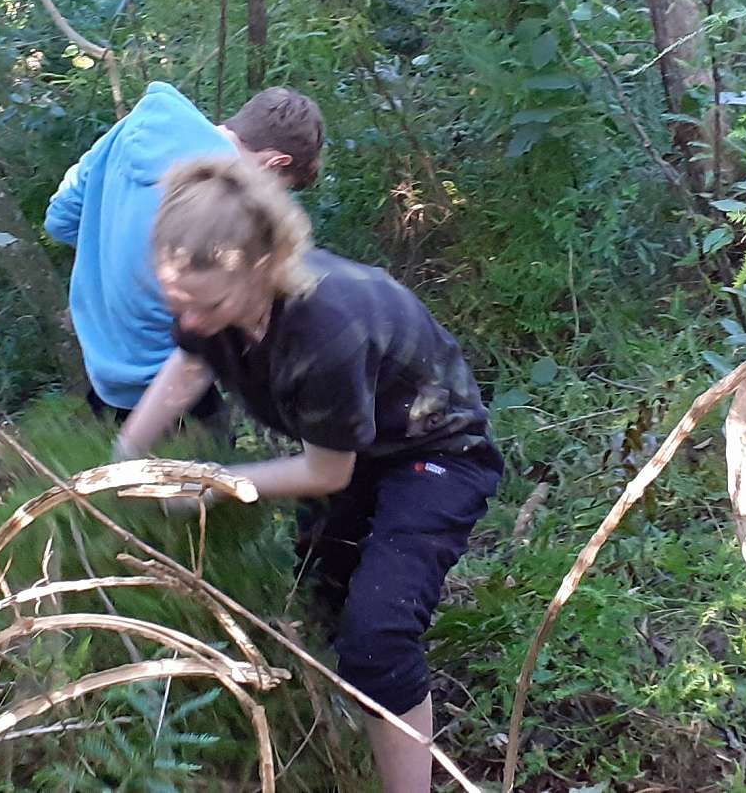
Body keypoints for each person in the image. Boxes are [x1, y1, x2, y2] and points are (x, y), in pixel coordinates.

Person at [112, 157, 501, 793]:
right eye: (177, 301)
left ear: (263, 266)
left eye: (207, 304)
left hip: (435, 454)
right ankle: (348, 727)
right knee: (319, 595)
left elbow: (326, 471)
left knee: (376, 637)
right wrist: (122, 456)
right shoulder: (210, 300)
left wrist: (213, 483)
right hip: (356, 450)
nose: (192, 320)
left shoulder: (324, 330)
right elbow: (189, 366)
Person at [44, 83, 325, 425]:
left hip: (101, 355)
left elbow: (60, 219)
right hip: (164, 373)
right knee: (208, 456)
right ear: (274, 163)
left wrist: (114, 255)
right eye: (280, 188)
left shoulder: (133, 128)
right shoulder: (222, 201)